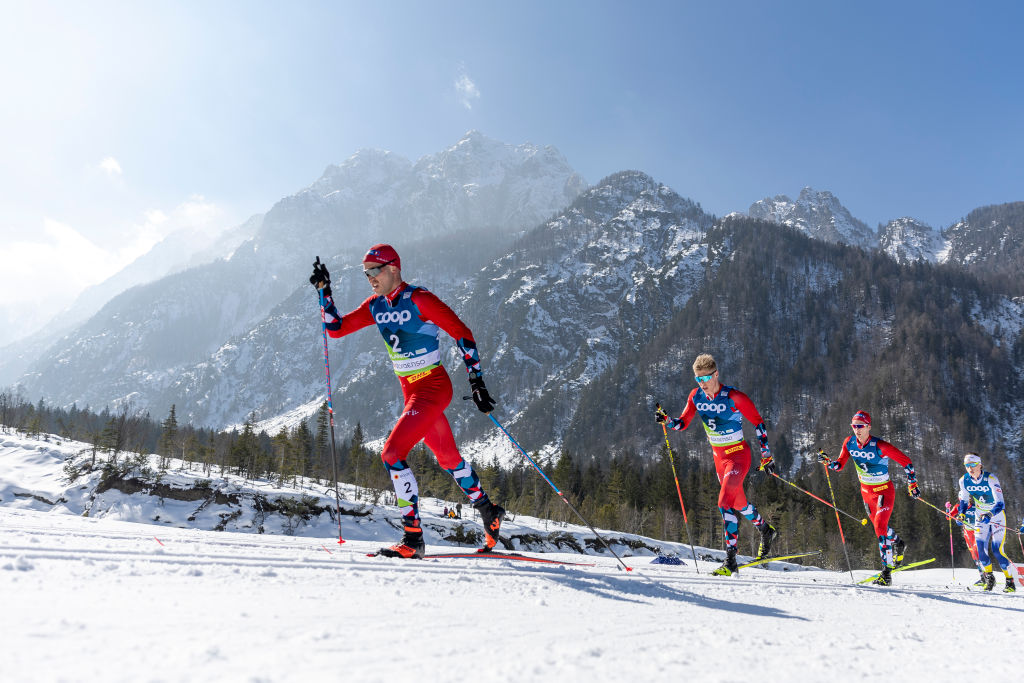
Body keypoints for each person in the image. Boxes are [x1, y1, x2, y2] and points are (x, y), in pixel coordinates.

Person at [310, 244, 505, 558]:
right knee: (448, 458)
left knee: (391, 453)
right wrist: (325, 291)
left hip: (434, 386)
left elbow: (462, 332)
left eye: (374, 270)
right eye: (365, 273)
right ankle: (488, 510)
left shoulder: (420, 299)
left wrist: (476, 380)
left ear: (393, 268)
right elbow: (336, 329)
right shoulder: (375, 306)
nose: (369, 278)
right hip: (411, 392)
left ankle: (413, 539)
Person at [656, 353, 777, 576]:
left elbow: (758, 423)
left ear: (716, 374)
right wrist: (668, 421)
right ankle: (765, 529)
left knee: (724, 503)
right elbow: (683, 423)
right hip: (719, 459)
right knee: (738, 502)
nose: (702, 384)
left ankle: (730, 561)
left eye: (705, 379)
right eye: (698, 380)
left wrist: (767, 456)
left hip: (738, 455)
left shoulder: (734, 397)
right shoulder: (696, 397)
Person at [818, 410, 919, 586]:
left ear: (868, 427)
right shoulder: (849, 443)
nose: (857, 429)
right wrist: (829, 463)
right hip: (866, 493)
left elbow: (907, 462)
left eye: (860, 426)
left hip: (884, 491)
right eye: (854, 426)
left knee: (880, 526)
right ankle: (898, 543)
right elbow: (840, 465)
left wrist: (912, 484)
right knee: (879, 527)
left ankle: (886, 574)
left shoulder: (880, 446)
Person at [957, 453, 1015, 593]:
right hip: (980, 517)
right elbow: (964, 500)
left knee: (997, 550)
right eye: (967, 465)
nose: (970, 468)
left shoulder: (991, 479)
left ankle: (1009, 581)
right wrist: (961, 514)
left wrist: (990, 514)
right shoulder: (963, 480)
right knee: (980, 550)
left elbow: (1000, 503)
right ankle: (989, 578)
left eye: (973, 465)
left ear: (980, 465)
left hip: (996, 517)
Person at [949, 500, 987, 587]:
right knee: (974, 555)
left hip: (977, 531)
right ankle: (982, 577)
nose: (968, 502)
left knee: (979, 552)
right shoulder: (958, 507)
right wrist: (948, 510)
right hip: (967, 534)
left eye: (969, 500)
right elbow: (949, 516)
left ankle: (987, 575)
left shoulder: (976, 507)